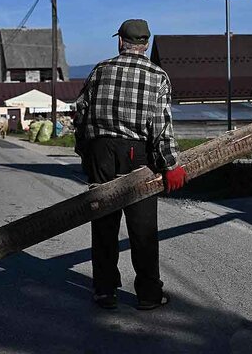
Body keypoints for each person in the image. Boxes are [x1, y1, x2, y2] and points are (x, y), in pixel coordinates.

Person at [73, 19, 187, 311]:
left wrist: (85, 151)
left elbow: (80, 112)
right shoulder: (157, 75)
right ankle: (148, 294)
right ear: (146, 44)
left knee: (103, 224)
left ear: (120, 42)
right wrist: (170, 164)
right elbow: (160, 125)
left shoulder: (100, 70)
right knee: (143, 227)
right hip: (137, 152)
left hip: (102, 150)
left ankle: (104, 290)